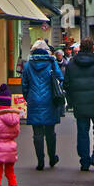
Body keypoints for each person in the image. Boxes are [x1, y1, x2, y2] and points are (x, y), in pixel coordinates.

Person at [63, 37, 94, 171]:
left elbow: (67, 84)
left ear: (80, 47)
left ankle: (84, 161)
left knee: (82, 131)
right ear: (93, 47)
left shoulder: (71, 63)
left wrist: (70, 102)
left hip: (79, 101)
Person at [21, 39, 64, 169]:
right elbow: (60, 79)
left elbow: (24, 85)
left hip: (34, 100)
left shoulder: (28, 65)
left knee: (37, 132)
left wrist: (28, 97)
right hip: (50, 100)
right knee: (50, 131)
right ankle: (52, 157)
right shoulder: (52, 63)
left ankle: (40, 161)